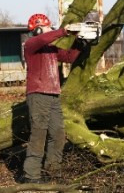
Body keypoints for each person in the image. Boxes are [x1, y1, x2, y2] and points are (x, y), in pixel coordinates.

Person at [19, 14, 82, 184]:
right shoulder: (31, 45)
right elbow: (44, 38)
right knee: (39, 133)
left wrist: (79, 41)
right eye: (47, 27)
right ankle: (31, 175)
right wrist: (65, 31)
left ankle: (52, 171)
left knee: (58, 133)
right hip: (38, 94)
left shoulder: (51, 49)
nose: (50, 29)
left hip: (54, 95)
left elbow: (69, 57)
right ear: (37, 29)